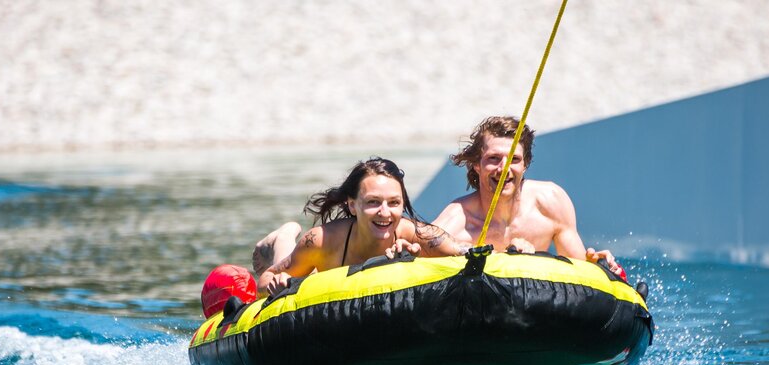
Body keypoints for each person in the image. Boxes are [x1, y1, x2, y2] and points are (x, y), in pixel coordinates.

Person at [433, 116, 624, 279]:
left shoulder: (550, 202)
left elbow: (578, 269)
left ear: (525, 165)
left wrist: (596, 265)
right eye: (493, 158)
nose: (504, 169)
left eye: (514, 159)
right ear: (476, 164)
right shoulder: (457, 220)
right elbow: (418, 250)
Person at [254, 157, 466, 296]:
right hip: (317, 275)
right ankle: (283, 236)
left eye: (394, 203)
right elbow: (265, 280)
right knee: (297, 269)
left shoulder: (414, 234)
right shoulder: (322, 240)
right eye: (373, 202)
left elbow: (469, 252)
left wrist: (417, 261)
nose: (384, 212)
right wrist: (279, 282)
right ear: (353, 205)